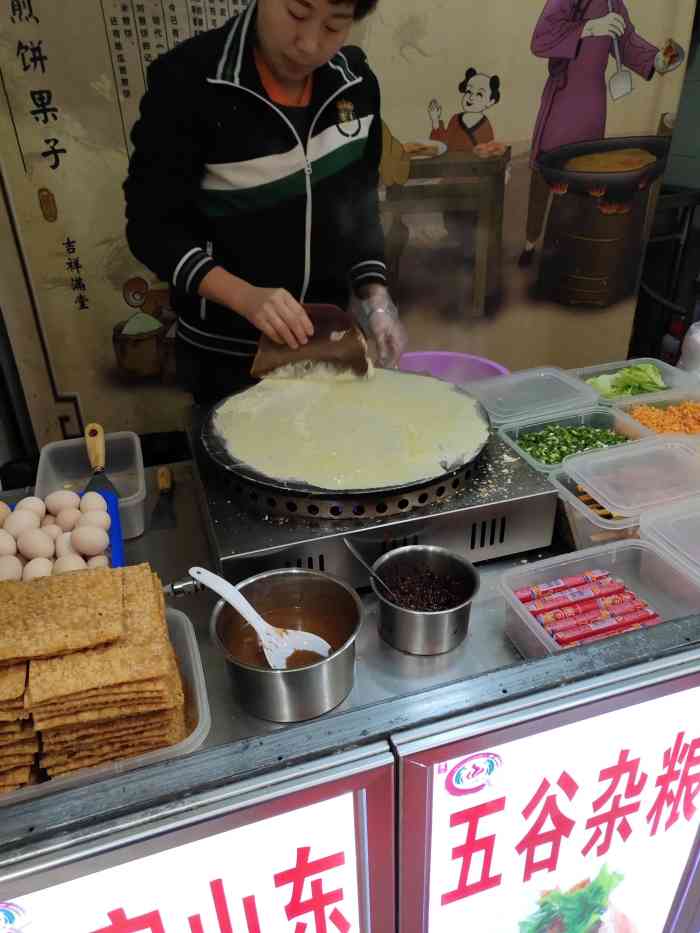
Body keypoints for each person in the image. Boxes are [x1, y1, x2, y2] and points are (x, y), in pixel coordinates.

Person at [124, 0, 407, 405]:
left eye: (334, 26)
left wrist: (375, 295)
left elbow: (359, 206)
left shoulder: (355, 84)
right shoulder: (189, 82)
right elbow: (151, 228)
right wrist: (244, 296)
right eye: (296, 13)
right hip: (226, 357)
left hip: (329, 350)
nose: (308, 44)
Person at [520, 0, 684, 268]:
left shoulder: (613, 3)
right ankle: (530, 242)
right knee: (544, 172)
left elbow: (628, 41)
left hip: (593, 101)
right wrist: (590, 27)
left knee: (586, 175)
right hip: (564, 96)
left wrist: (658, 60)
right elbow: (540, 39)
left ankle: (568, 249)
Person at [428, 68, 501, 153]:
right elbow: (442, 145)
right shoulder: (455, 119)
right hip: (452, 164)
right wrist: (435, 119)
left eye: (479, 94)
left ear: (490, 102)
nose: (471, 97)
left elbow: (488, 152)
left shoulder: (485, 125)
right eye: (469, 91)